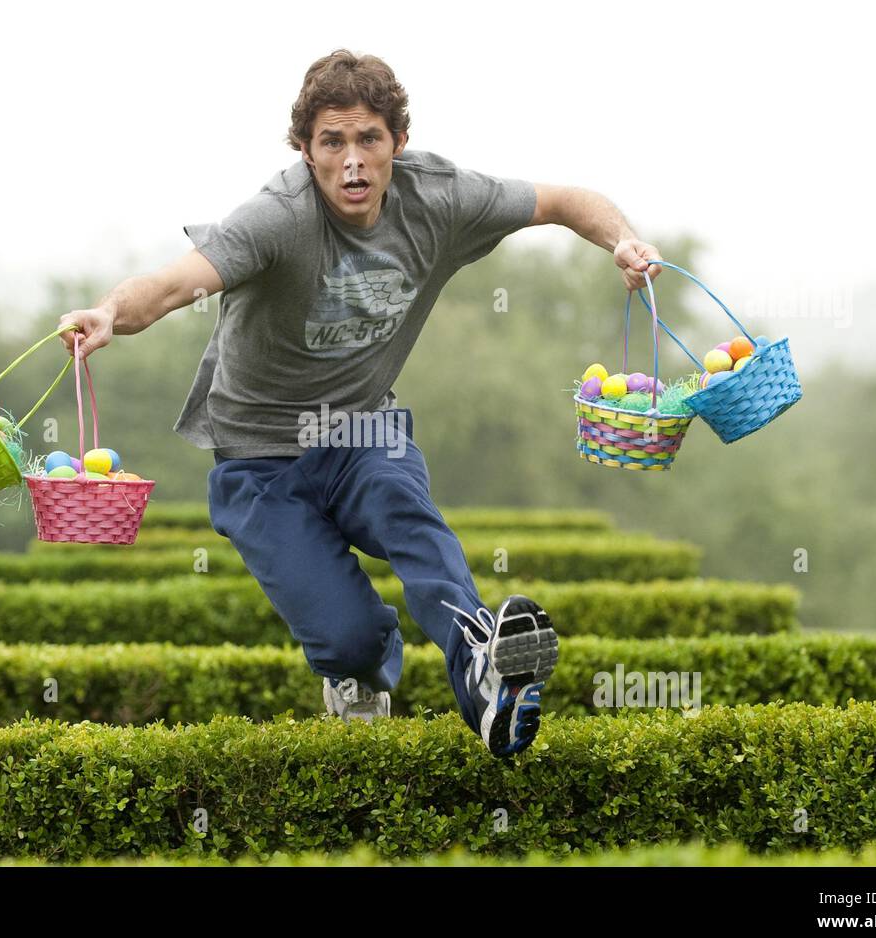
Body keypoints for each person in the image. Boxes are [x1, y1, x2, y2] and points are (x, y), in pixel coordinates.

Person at [57, 49, 662, 758]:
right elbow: (171, 284)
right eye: (332, 142)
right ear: (306, 152)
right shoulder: (276, 219)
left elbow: (564, 200)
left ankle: (482, 670)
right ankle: (360, 671)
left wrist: (622, 239)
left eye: (369, 139)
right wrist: (108, 314)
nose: (352, 162)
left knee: (408, 515)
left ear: (396, 144)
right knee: (347, 639)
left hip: (364, 429)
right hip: (259, 458)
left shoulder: (439, 195)